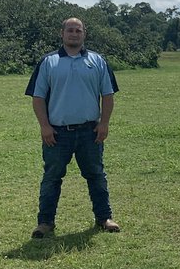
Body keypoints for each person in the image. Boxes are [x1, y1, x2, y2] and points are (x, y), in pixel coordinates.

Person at [24, 18, 120, 238]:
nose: (74, 34)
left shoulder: (98, 61)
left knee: (96, 175)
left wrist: (104, 123)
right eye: (70, 30)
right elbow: (38, 97)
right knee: (52, 178)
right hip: (57, 134)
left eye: (78, 30)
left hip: (90, 132)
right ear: (62, 33)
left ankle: (104, 218)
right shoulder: (48, 62)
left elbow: (108, 95)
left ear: (84, 33)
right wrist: (45, 126)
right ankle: (45, 223)